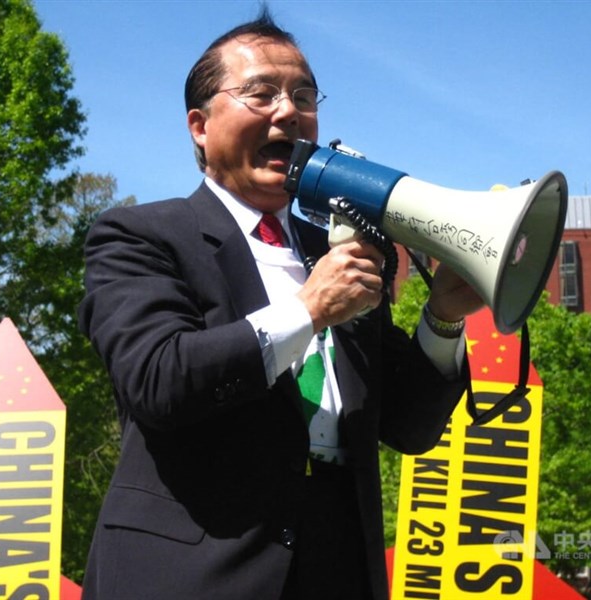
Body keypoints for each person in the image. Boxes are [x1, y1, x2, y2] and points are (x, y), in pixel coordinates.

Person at [78, 8, 484, 600]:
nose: (289, 111)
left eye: (304, 95)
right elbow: (157, 379)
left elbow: (409, 426)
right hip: (191, 575)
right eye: (261, 92)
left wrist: (444, 314)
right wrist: (308, 310)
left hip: (338, 566)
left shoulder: (342, 249)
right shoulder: (140, 236)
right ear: (199, 124)